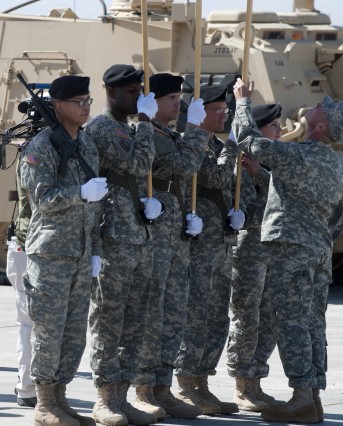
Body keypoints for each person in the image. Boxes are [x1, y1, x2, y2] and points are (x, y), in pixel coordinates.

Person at [233, 78, 343, 423]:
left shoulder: (298, 155)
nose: (316, 104)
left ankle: (301, 396)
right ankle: (312, 396)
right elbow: (298, 189)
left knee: (291, 322)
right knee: (312, 321)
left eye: (322, 108)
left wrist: (243, 102)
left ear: (320, 125)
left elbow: (249, 140)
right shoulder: (331, 164)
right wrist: (264, 175)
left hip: (292, 250)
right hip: (316, 251)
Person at [20, 75, 106, 426]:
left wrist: (96, 250)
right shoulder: (41, 146)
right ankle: (43, 403)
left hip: (81, 253)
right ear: (58, 106)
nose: (86, 106)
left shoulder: (86, 145)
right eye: (78, 101)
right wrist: (79, 193)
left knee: (73, 334)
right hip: (52, 254)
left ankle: (60, 398)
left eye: (88, 100)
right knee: (49, 332)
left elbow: (95, 207)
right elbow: (41, 199)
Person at [84, 64, 160, 426]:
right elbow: (141, 162)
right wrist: (145, 120)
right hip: (113, 237)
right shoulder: (102, 128)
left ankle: (122, 395)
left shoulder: (125, 128)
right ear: (111, 92)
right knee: (108, 320)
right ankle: (104, 399)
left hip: (136, 237)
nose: (137, 97)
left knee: (134, 323)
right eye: (131, 92)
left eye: (139, 91)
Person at [134, 73, 209, 419]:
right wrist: (196, 129)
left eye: (178, 97)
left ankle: (163, 386)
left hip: (174, 233)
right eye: (170, 98)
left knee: (174, 312)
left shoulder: (169, 134)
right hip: (156, 237)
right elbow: (184, 163)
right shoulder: (150, 133)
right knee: (153, 311)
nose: (177, 103)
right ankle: (144, 388)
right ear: (152, 101)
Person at [174, 84, 243, 415]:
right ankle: (186, 383)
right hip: (200, 247)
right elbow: (217, 176)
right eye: (217, 110)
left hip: (222, 244)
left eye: (225, 109)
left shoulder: (214, 144)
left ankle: (202, 380)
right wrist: (232, 148)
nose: (223, 114)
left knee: (217, 318)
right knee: (196, 316)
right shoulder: (195, 146)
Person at [226, 104, 282, 412]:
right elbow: (243, 207)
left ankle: (256, 381)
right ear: (258, 130)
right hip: (249, 248)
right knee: (247, 317)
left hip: (271, 247)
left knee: (269, 317)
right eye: (275, 125)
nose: (281, 131)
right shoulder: (242, 164)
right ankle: (241, 385)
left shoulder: (271, 162)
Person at [6, 144, 36, 407]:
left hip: (39, 246)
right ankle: (27, 387)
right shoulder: (37, 150)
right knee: (29, 322)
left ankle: (34, 387)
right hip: (29, 246)